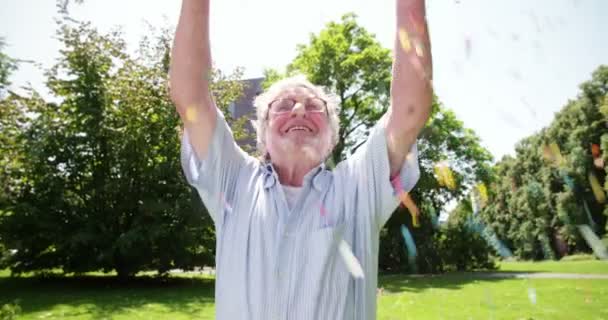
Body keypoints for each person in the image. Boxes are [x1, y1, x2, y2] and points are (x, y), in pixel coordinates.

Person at [169, 0, 432, 318]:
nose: (298, 110)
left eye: (313, 106)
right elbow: (190, 94)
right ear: (263, 132)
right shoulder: (234, 180)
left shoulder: (358, 187)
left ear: (332, 136)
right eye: (283, 105)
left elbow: (409, 110)